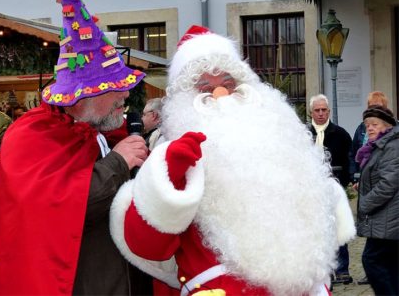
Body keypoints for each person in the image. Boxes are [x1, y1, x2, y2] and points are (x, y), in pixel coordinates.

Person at [109, 25, 356, 295]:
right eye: (205, 89)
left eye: (229, 84)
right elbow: (147, 246)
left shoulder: (280, 143)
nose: (220, 96)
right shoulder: (170, 158)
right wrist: (171, 177)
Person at [0, 0, 150, 295]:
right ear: (86, 95)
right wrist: (118, 162)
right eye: (115, 90)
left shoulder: (92, 126)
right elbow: (58, 204)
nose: (125, 98)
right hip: (75, 281)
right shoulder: (33, 133)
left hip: (110, 272)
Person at [306, 94, 353, 285]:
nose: (320, 113)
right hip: (310, 191)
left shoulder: (340, 134)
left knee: (339, 227)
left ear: (329, 111)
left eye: (323, 110)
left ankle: (342, 269)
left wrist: (344, 181)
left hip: (335, 189)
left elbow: (349, 160)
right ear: (311, 112)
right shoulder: (304, 133)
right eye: (317, 110)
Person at [355, 105, 399, 296]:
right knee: (390, 265)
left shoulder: (392, 146)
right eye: (367, 125)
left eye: (374, 124)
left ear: (387, 126)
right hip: (385, 217)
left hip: (388, 218)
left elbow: (389, 183)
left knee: (372, 260)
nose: (369, 128)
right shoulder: (380, 146)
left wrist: (364, 204)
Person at [349, 91, 389, 184]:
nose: (375, 110)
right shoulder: (362, 127)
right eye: (372, 107)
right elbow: (352, 153)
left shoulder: (392, 128)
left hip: (384, 181)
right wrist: (354, 177)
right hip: (363, 180)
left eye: (378, 107)